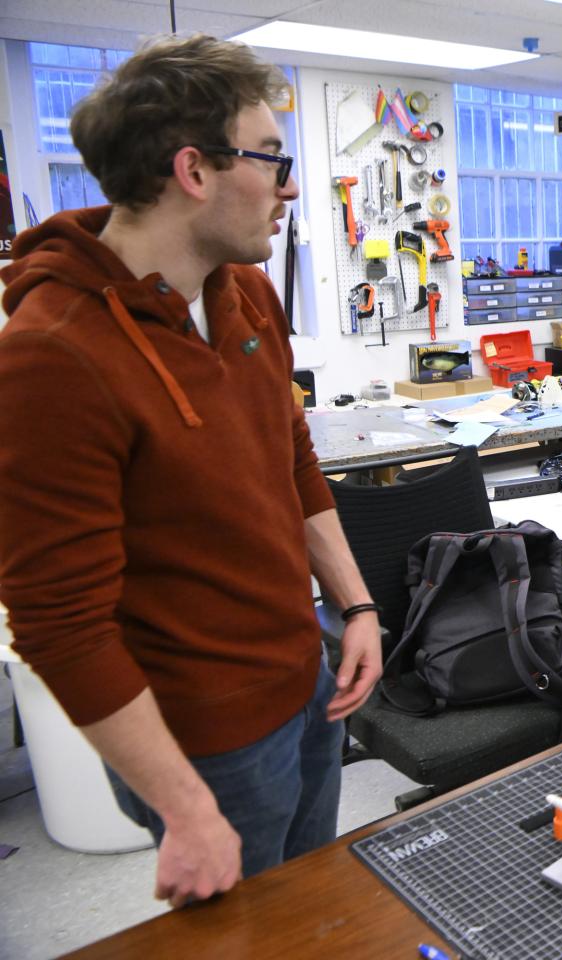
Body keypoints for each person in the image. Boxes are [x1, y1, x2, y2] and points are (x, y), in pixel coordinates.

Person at [0, 35, 382, 907]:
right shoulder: (54, 354)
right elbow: (61, 627)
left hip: (304, 682)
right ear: (193, 171)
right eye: (273, 160)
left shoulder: (242, 290)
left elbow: (289, 459)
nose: (288, 188)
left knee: (305, 915)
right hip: (205, 741)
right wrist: (185, 808)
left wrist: (354, 603)